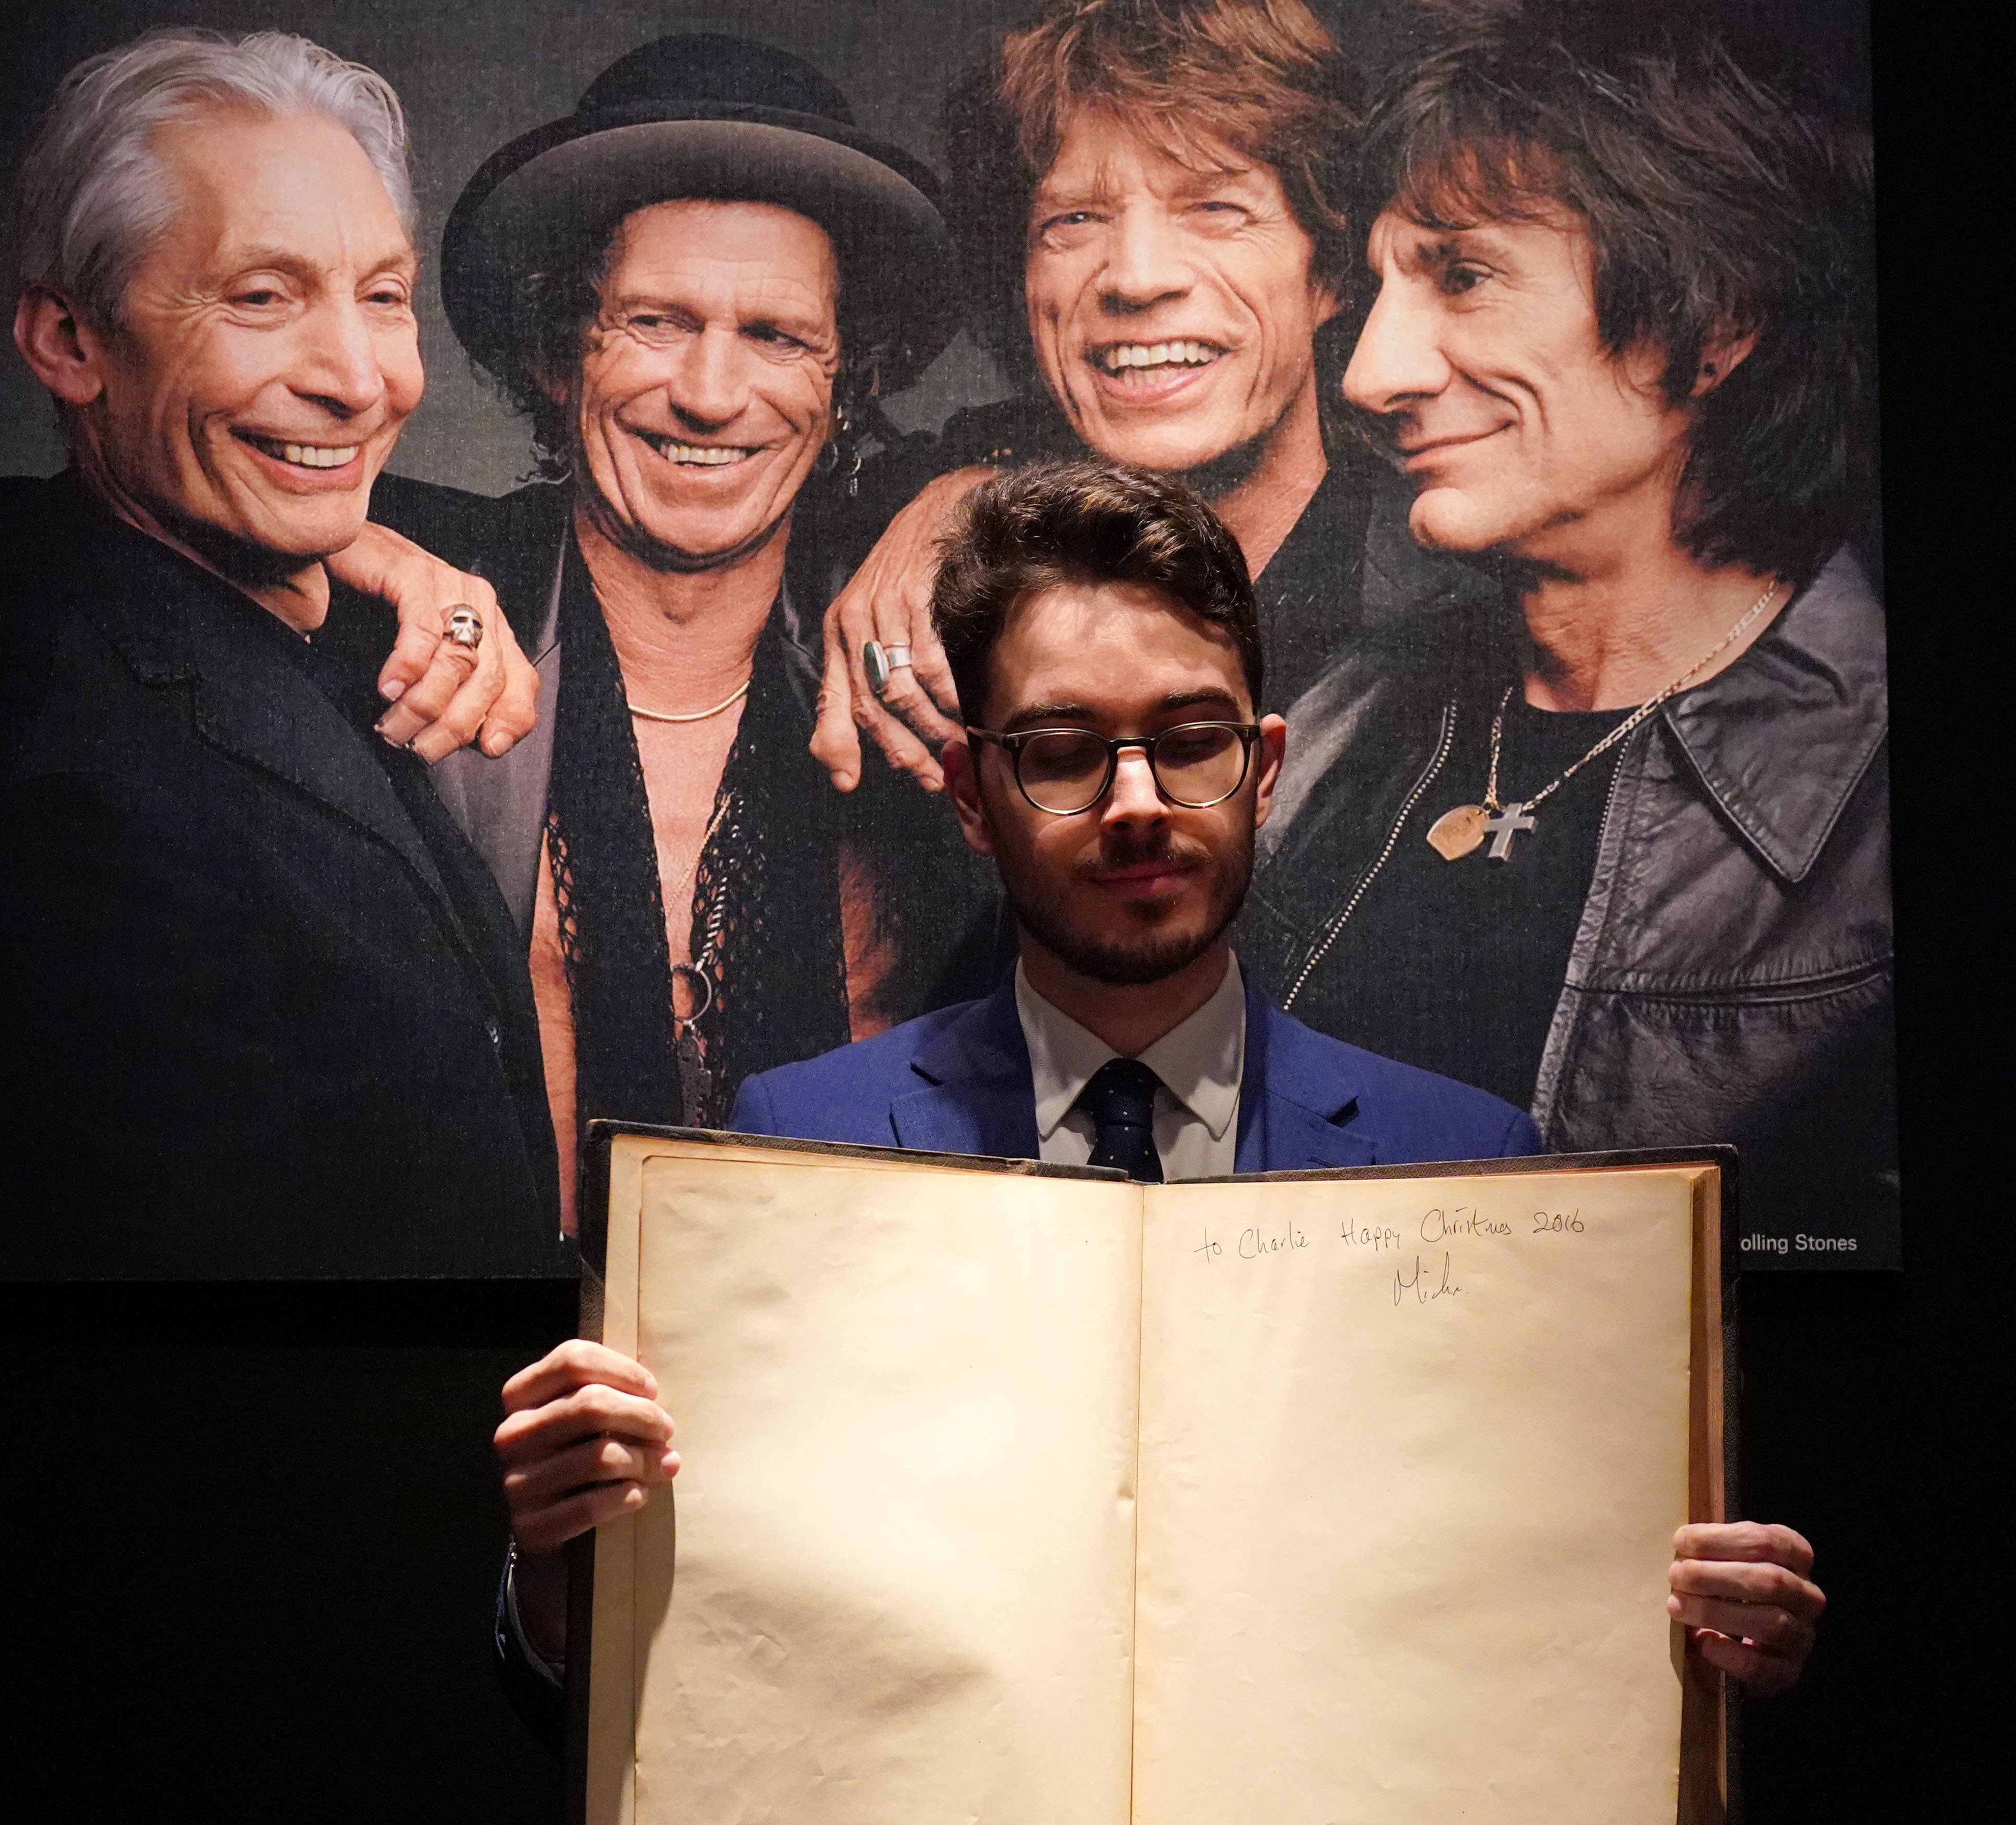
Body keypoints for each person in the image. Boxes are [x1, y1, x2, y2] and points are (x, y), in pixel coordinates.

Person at [493, 459, 1825, 1736]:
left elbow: (1520, 1639)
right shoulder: (797, 1144)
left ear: (1265, 764)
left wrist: (1691, 1648)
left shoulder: (1471, 1163)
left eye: (1188, 742)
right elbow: (730, 1655)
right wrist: (567, 1578)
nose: (1137, 804)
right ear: (970, 793)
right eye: (1063, 752)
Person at [1242, 10, 1898, 1255]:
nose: (1371, 372)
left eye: (1463, 275)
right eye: (1383, 285)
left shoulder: (1872, 810)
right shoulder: (1336, 716)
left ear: (1713, 317)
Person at [359, 35, 1006, 1226]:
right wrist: (356, 545)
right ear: (562, 354)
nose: (711, 394)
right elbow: (118, 518)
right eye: (656, 321)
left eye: (776, 336)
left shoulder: (916, 636)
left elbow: (1138, 481)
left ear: (845, 378)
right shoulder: (410, 597)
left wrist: (971, 488)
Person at [0, 29, 562, 1276]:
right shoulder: (52, 750)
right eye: (260, 296)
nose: (359, 379)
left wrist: (376, 554)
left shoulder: (319, 603)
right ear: (69, 342)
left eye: (382, 296)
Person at [807, 0, 1478, 795]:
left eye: (1215, 208)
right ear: (1020, 286)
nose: (1136, 277)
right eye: (1075, 218)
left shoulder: (1464, 614)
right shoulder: (910, 547)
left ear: (1328, 270)